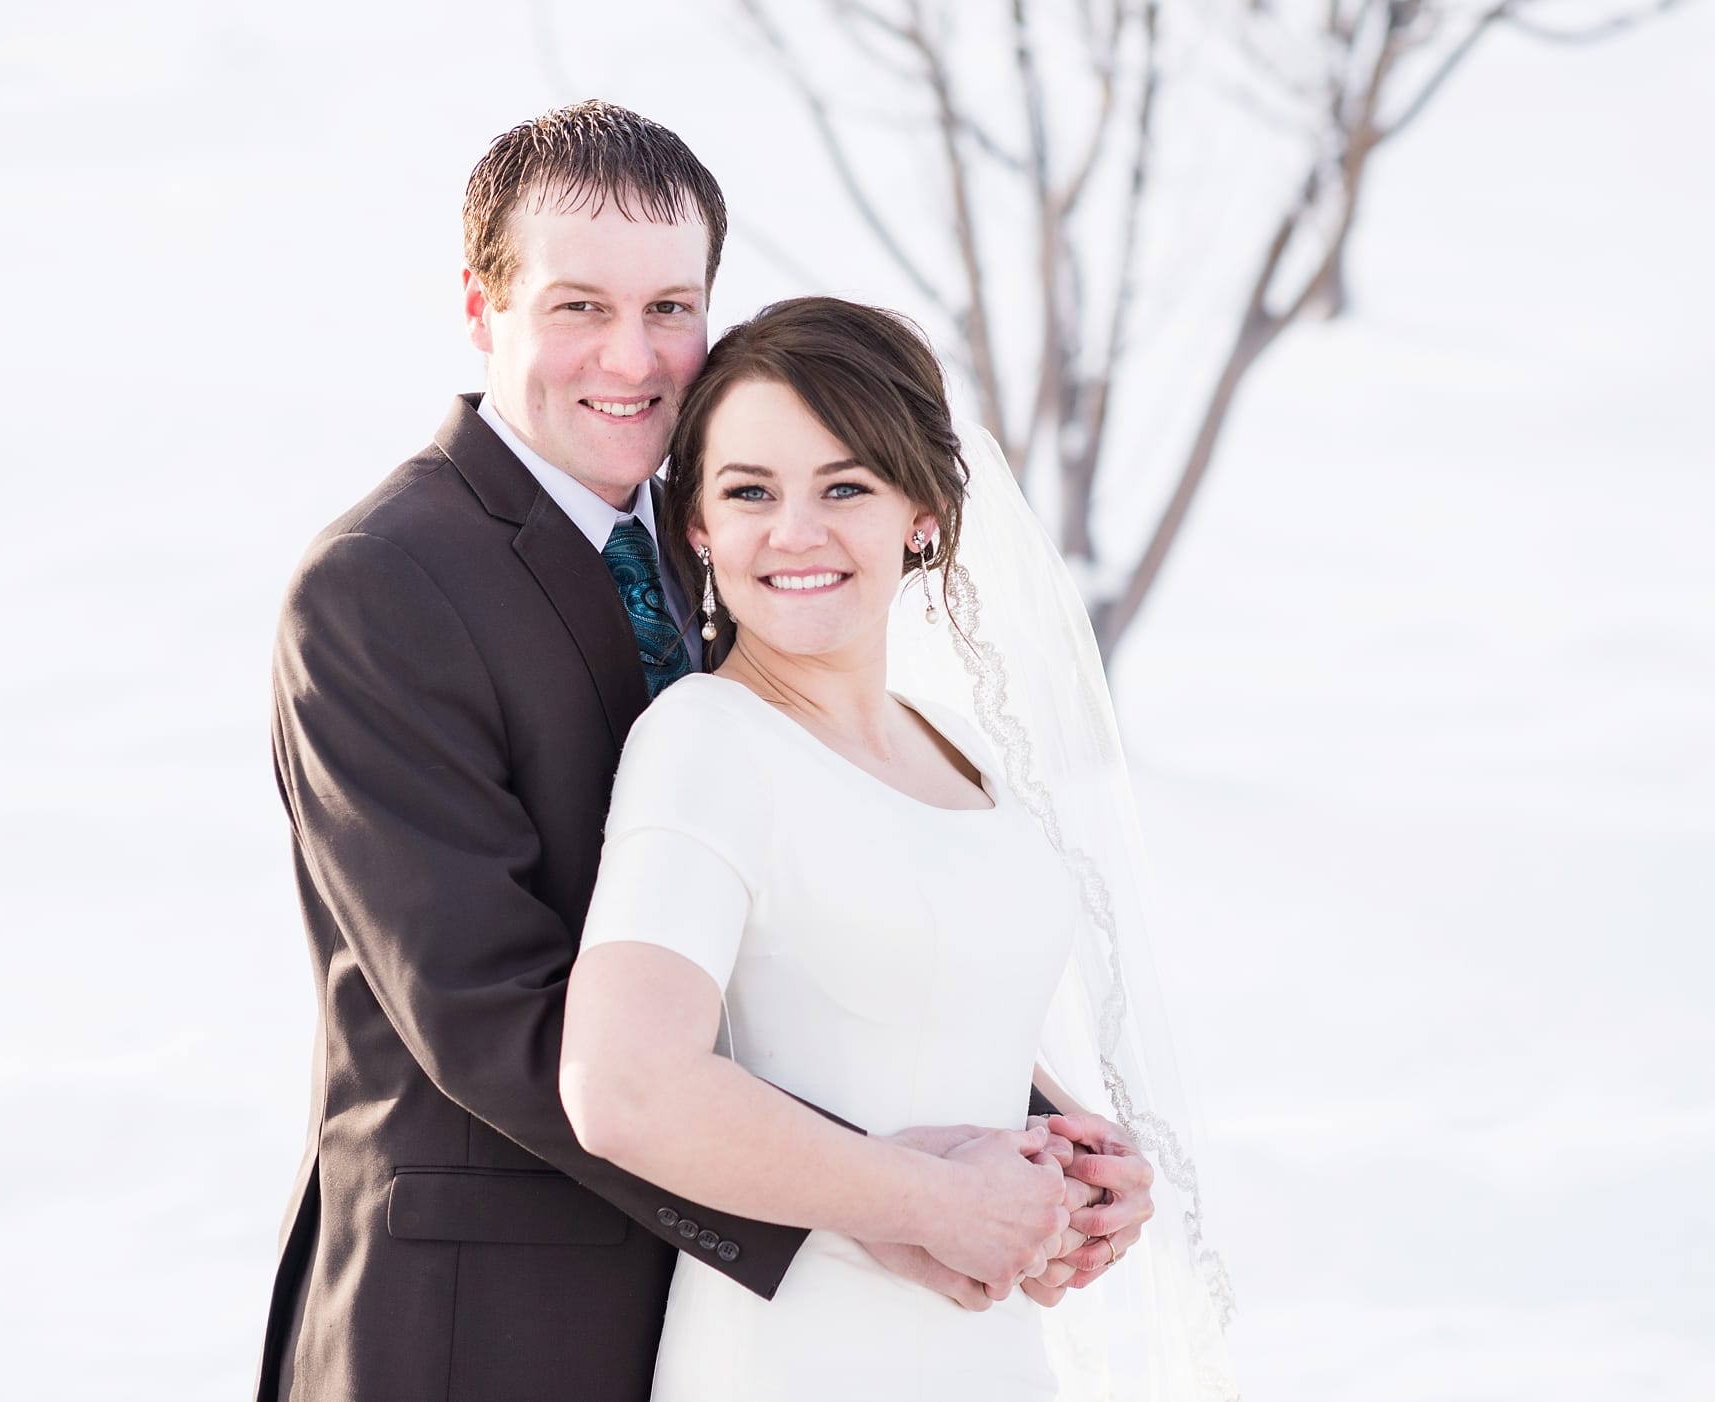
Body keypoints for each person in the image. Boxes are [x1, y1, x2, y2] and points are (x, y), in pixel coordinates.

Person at [258, 101, 1153, 1402]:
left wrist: (1034, 1141)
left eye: (671, 305)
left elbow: (792, 912)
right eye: (578, 307)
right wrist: (891, 1197)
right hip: (486, 1324)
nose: (632, 356)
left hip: (717, 1324)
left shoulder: (720, 543)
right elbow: (490, 1015)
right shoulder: (381, 585)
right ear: (480, 305)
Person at [559, 296, 1233, 1399]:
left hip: (985, 1350)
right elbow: (625, 1085)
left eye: (845, 487)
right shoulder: (705, 741)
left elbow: (917, 1007)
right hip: (799, 1351)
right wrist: (933, 1202)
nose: (795, 532)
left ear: (920, 508)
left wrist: (1072, 1155)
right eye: (748, 493)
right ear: (697, 529)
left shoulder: (960, 749)